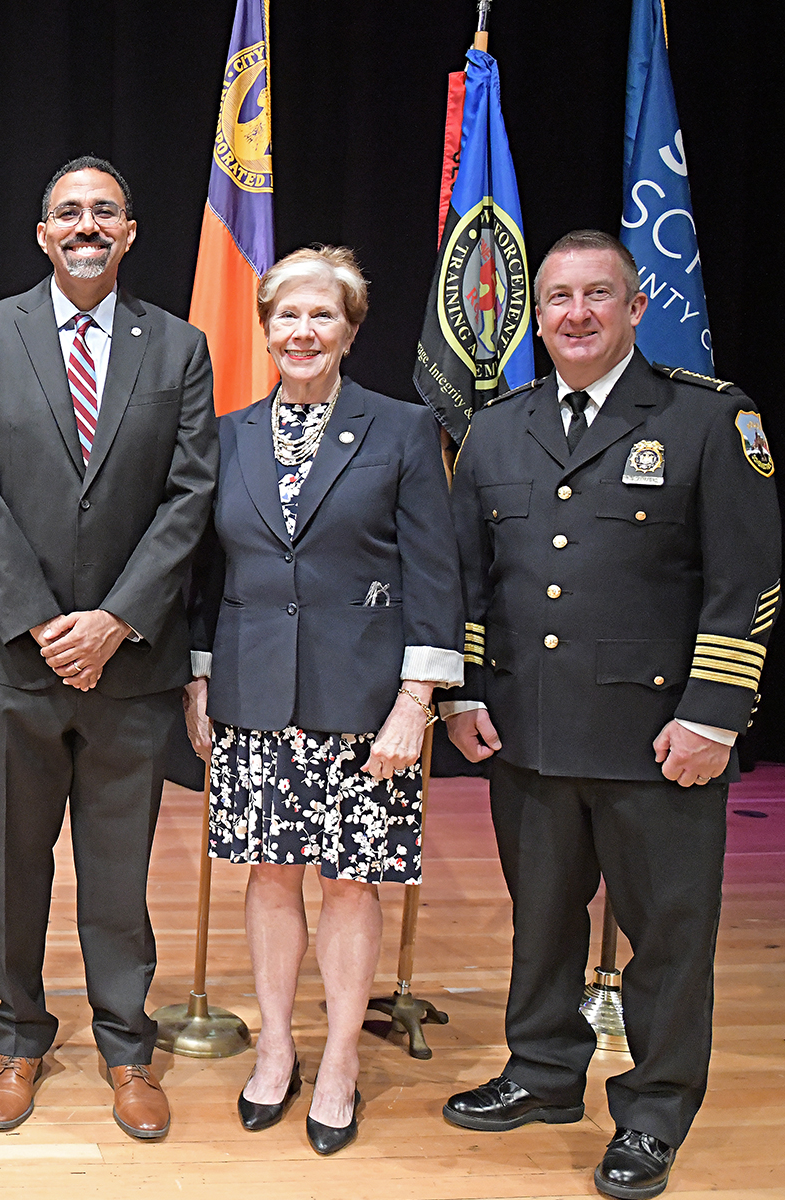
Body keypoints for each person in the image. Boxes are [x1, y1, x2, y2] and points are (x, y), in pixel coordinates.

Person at [440, 230, 780, 1200]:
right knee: (541, 924)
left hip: (658, 737)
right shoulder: (499, 429)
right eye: (557, 298)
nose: (576, 314)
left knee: (668, 936)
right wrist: (465, 692)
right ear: (534, 316)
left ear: (636, 308)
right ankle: (544, 1075)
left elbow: (748, 578)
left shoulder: (710, 419)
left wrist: (714, 714)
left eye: (598, 295)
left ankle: (655, 1112)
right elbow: (469, 578)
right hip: (528, 732)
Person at [0, 156, 217, 1140]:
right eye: (69, 212)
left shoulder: (179, 346)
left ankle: (127, 1045)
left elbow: (190, 495)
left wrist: (114, 620)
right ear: (42, 233)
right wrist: (42, 622)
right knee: (17, 865)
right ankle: (18, 1035)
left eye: (104, 211)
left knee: (118, 868)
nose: (87, 225)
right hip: (14, 663)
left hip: (130, 663)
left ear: (131, 233)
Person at [182, 246, 464, 1155]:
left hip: (366, 704)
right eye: (287, 317)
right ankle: (276, 1048)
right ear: (264, 329)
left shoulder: (403, 429)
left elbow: (434, 574)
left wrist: (416, 700)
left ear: (349, 329)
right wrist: (199, 677)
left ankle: (339, 1059)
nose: (303, 333)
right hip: (253, 695)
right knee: (269, 877)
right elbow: (203, 573)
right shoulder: (224, 434)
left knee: (350, 884)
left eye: (323, 317)